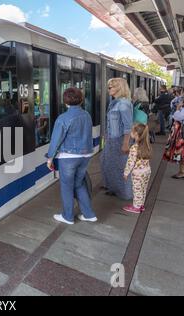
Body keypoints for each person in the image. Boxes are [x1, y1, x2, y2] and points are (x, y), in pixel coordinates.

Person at [47, 87, 97, 225]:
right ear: (81, 99)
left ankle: (68, 216)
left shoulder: (63, 118)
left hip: (68, 157)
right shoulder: (86, 115)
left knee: (67, 186)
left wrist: (50, 158)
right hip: (86, 155)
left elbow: (56, 140)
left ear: (65, 101)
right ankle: (89, 214)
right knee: (78, 183)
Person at [101, 78, 134, 201]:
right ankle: (114, 189)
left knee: (121, 166)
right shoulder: (114, 102)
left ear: (119, 88)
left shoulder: (123, 104)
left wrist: (126, 143)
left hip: (120, 139)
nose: (108, 89)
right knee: (109, 164)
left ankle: (125, 193)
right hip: (112, 139)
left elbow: (128, 126)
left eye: (111, 87)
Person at [164, 84, 184, 179]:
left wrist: (177, 109)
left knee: (182, 151)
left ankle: (182, 172)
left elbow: (179, 117)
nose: (182, 93)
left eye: (183, 91)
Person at [123, 124, 152, 214]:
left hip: (138, 173)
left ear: (135, 134)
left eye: (132, 131)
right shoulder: (146, 145)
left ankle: (136, 207)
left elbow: (130, 162)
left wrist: (126, 173)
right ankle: (141, 205)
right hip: (147, 171)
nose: (130, 133)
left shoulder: (134, 147)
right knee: (143, 189)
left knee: (137, 190)